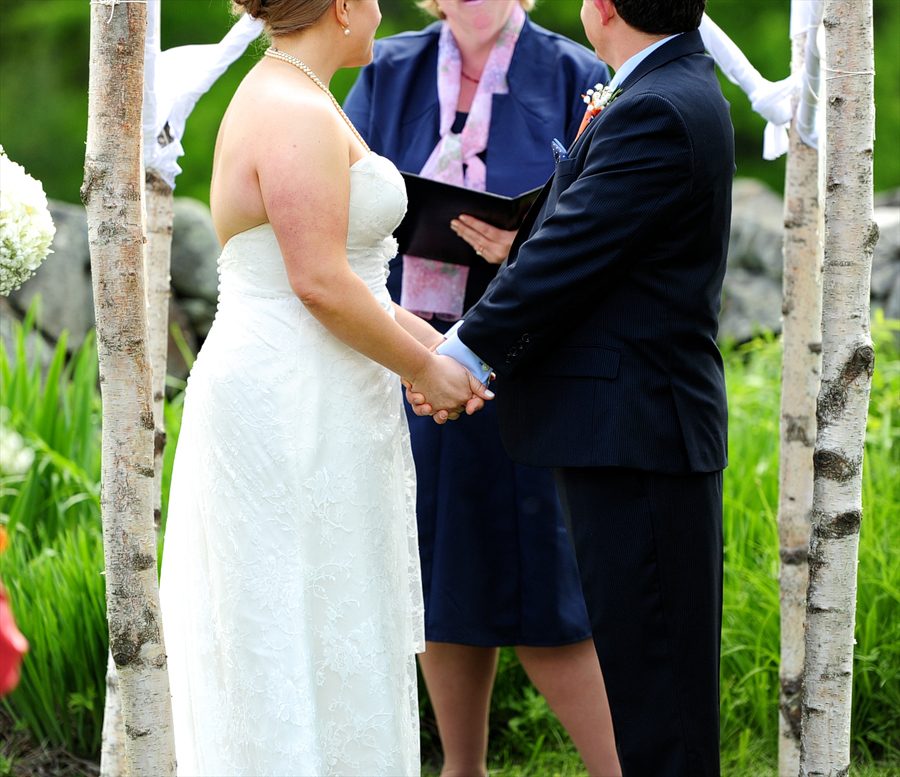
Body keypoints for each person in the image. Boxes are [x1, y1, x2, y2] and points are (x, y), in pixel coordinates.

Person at [158, 0, 492, 774]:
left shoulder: (305, 94)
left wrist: (448, 351)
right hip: (282, 400)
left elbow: (360, 287)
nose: (383, 10)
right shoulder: (288, 107)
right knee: (285, 619)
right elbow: (318, 283)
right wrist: (422, 370)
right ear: (342, 7)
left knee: (335, 610)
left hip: (322, 392)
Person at [413, 0, 735, 774]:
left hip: (638, 435)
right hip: (627, 431)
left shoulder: (655, 106)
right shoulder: (664, 86)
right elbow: (610, 239)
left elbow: (572, 259)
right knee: (645, 681)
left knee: (659, 701)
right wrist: (525, 239)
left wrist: (460, 357)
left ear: (603, 9)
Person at [344, 3, 621, 775]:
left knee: (544, 576)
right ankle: (461, 767)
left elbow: (607, 220)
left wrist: (523, 245)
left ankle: (618, 766)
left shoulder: (577, 73)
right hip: (413, 356)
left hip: (525, 363)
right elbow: (338, 206)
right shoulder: (383, 67)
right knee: (440, 570)